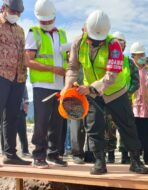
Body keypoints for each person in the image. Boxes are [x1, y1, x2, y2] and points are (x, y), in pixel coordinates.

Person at [62, 10, 148, 175]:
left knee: (127, 125)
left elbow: (112, 75)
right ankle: (100, 161)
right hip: (93, 94)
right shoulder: (78, 43)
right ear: (86, 29)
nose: (96, 42)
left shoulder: (113, 45)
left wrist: (91, 87)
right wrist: (67, 86)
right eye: (93, 39)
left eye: (99, 40)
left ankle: (136, 160)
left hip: (115, 91)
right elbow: (72, 67)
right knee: (93, 126)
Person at [25, 0, 68, 169]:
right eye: (43, 21)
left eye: (49, 21)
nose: (46, 24)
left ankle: (53, 154)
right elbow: (28, 60)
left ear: (54, 17)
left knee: (57, 123)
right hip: (42, 85)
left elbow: (66, 57)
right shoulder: (33, 32)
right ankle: (39, 155)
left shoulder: (63, 34)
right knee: (41, 122)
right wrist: (52, 69)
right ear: (38, 19)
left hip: (60, 86)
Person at [0, 0, 31, 165]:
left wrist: (24, 77)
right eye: (14, 12)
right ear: (3, 8)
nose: (16, 15)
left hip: (18, 79)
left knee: (12, 117)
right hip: (1, 75)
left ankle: (10, 154)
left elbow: (23, 54)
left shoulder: (21, 30)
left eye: (19, 13)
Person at [104, 31, 139, 164]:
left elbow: (136, 81)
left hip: (124, 99)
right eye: (116, 41)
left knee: (125, 127)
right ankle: (110, 154)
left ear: (125, 45)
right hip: (108, 99)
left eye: (121, 42)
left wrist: (127, 93)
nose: (119, 44)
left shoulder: (129, 62)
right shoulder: (106, 59)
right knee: (109, 128)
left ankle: (125, 155)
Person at [130, 42, 148, 164]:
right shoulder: (128, 69)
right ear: (133, 56)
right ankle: (136, 159)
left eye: (143, 55)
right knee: (135, 136)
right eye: (139, 55)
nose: (142, 57)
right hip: (134, 109)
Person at [17, 85, 31, 158]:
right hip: (6, 109)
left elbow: (24, 91)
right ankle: (5, 151)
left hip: (20, 109)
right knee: (6, 131)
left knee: (22, 131)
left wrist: (26, 104)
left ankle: (25, 151)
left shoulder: (20, 77)